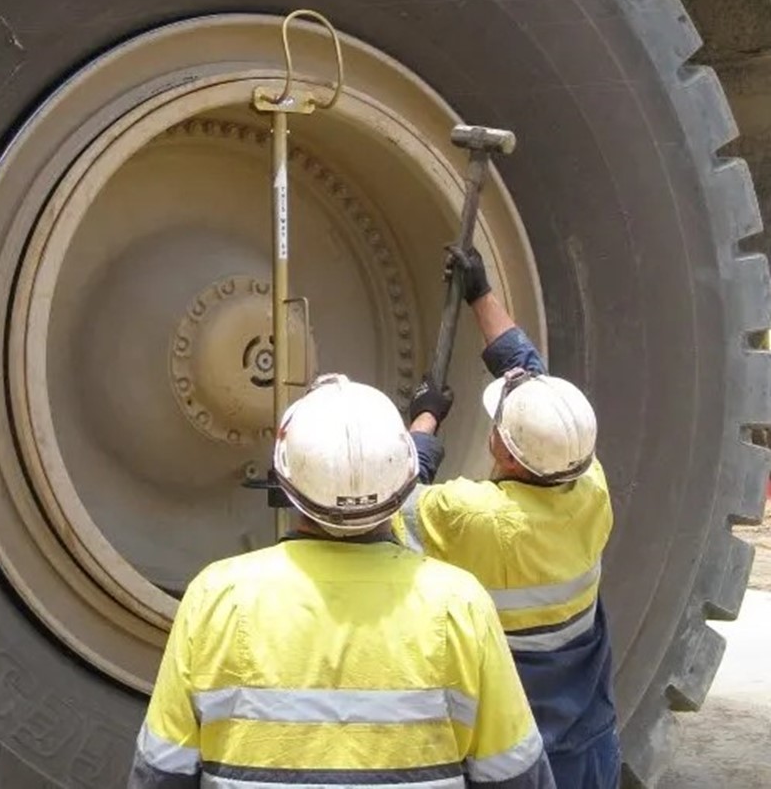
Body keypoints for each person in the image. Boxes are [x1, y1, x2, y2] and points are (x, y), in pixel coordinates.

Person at [129, 373, 555, 789]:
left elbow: (162, 772)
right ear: (404, 480)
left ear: (285, 479)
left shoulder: (216, 597)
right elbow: (513, 774)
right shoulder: (459, 604)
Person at [396, 249, 621, 789]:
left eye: (498, 422)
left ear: (509, 455)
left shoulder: (478, 517)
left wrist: (424, 423)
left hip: (522, 761)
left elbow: (387, 499)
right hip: (592, 744)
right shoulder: (590, 484)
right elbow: (543, 402)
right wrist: (482, 295)